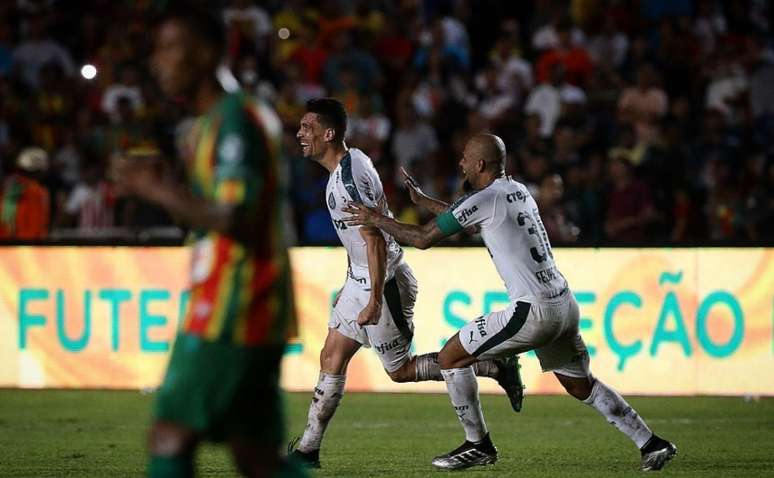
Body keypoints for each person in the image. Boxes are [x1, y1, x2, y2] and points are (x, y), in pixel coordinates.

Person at [343, 133, 677, 472]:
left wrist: (375, 218)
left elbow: (423, 238)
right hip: (564, 304)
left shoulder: (486, 197)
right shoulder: (518, 191)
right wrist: (424, 201)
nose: (460, 163)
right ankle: (651, 443)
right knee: (580, 385)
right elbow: (471, 222)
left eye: (464, 158)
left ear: (480, 165)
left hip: (533, 311)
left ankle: (478, 445)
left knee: (451, 357)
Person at [115, 5, 305, 477]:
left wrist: (153, 188)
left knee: (170, 435)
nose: (158, 61)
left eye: (170, 48)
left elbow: (235, 218)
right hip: (245, 304)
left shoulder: (235, 120)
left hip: (235, 307)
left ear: (206, 53)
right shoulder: (211, 124)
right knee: (257, 458)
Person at [289, 98, 525, 468]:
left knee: (399, 371)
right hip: (362, 278)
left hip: (382, 283)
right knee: (331, 356)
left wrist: (373, 301)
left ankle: (494, 366)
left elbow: (375, 241)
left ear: (328, 133)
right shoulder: (352, 163)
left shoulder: (346, 182)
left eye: (307, 127)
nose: (300, 134)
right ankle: (307, 450)